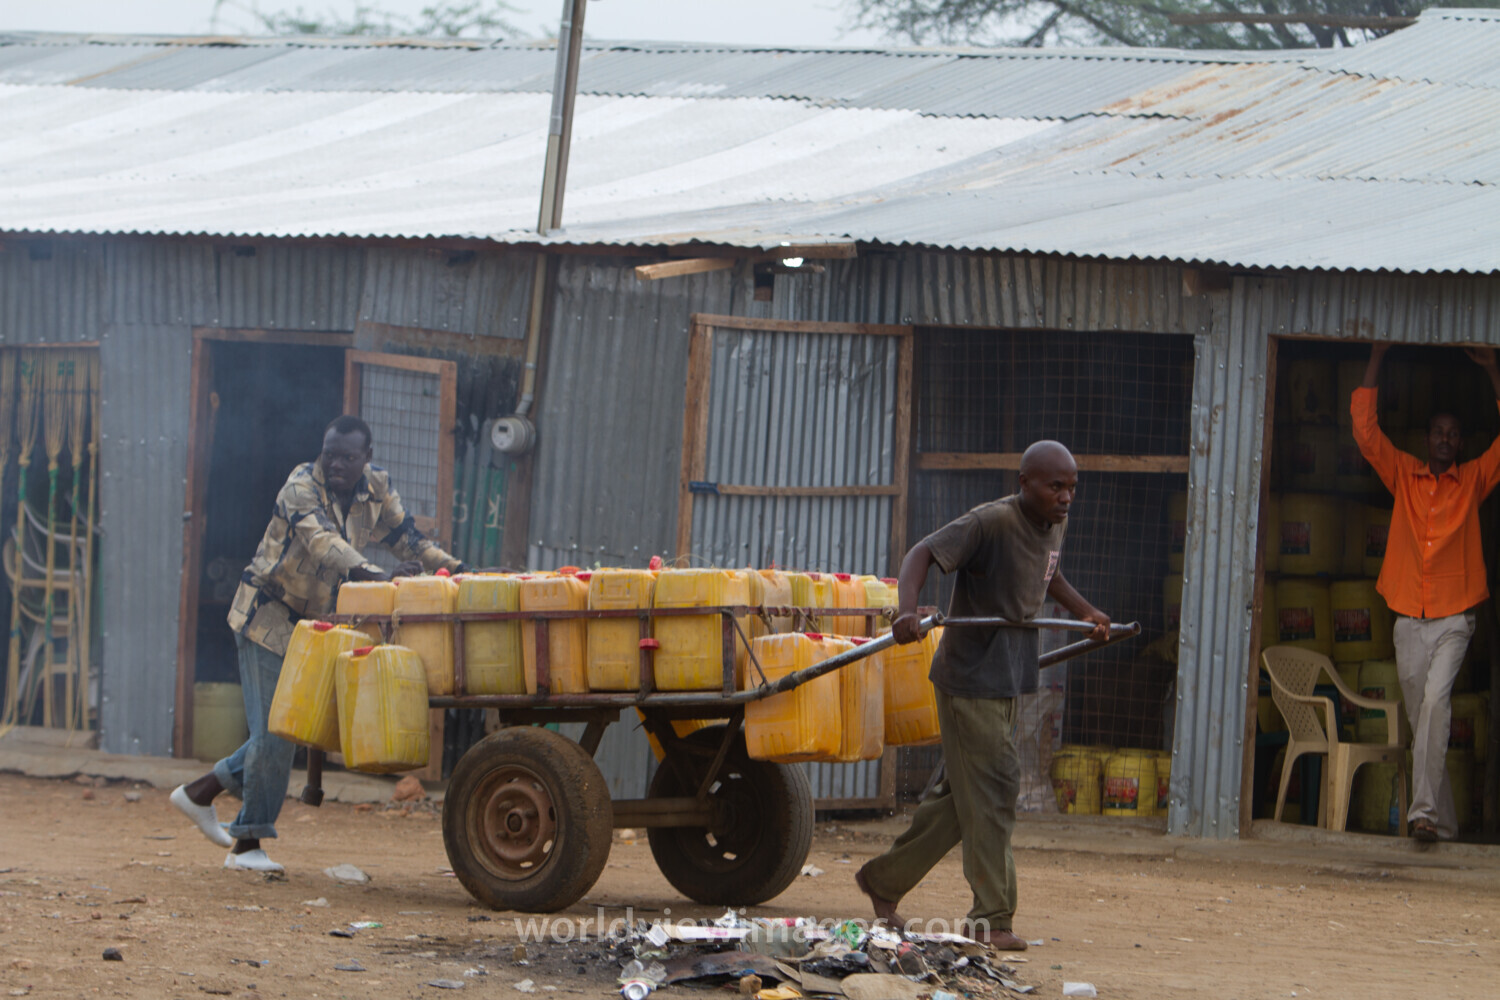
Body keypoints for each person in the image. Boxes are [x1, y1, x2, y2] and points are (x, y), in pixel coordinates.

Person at [170, 415, 463, 872]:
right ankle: (247, 844)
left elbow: (407, 537)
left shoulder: (377, 488)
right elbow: (324, 543)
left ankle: (200, 792)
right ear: (321, 451)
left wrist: (455, 570)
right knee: (277, 733)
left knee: (294, 727)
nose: (337, 464)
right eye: (330, 454)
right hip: (266, 617)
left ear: (367, 457)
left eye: (348, 456)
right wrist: (379, 575)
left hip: (315, 630)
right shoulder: (300, 488)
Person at [854, 440, 1110, 949]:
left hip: (1010, 674)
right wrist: (907, 610)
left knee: (962, 799)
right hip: (970, 678)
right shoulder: (989, 522)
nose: (1065, 497)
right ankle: (990, 918)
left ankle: (883, 881)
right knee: (996, 787)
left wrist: (1086, 612)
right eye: (1055, 486)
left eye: (1071, 488)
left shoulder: (1052, 524)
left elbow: (1047, 573)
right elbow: (922, 552)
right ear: (1025, 483)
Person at [1351, 344, 1500, 842]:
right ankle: (1448, 826)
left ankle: (1423, 817)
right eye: (1439, 432)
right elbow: (1366, 433)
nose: (1446, 440)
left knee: (1437, 704)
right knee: (1426, 725)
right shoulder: (1404, 477)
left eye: (1454, 435)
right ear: (1426, 438)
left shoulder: (1473, 480)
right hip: (1407, 618)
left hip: (1455, 618)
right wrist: (1377, 355)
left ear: (1461, 443)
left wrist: (1494, 371)